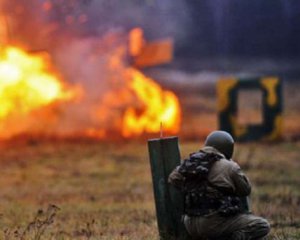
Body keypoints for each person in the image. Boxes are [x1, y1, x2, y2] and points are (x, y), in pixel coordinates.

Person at [168, 130, 270, 240]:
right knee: (262, 225)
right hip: (213, 224)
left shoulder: (190, 162)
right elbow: (245, 190)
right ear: (228, 148)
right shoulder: (229, 166)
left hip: (189, 224)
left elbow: (173, 179)